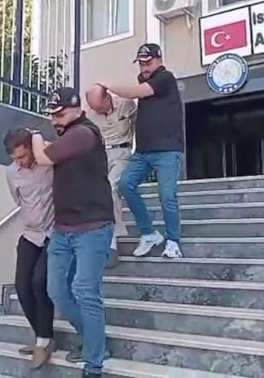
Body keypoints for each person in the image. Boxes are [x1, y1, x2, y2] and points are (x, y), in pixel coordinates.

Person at [30, 87, 114, 378]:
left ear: (77, 109)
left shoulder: (83, 134)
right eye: (52, 115)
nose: (55, 120)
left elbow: (43, 157)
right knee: (56, 290)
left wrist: (36, 137)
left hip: (93, 228)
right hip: (63, 229)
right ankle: (92, 340)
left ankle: (94, 364)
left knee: (85, 291)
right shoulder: (69, 136)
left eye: (60, 114)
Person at [101, 43, 185, 259]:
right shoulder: (144, 79)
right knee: (125, 184)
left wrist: (109, 86)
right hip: (143, 152)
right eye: (141, 64)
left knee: (167, 195)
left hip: (168, 150)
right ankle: (149, 234)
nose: (144, 68)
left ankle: (173, 241)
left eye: (148, 63)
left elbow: (135, 92)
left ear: (159, 60)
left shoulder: (165, 78)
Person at [4, 128, 56, 369]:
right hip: (30, 234)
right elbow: (19, 201)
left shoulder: (49, 163)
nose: (20, 162)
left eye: (23, 156)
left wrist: (39, 141)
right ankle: (43, 337)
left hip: (54, 233)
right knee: (22, 286)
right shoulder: (11, 173)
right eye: (15, 158)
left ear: (32, 150)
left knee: (40, 281)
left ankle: (43, 342)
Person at [85, 84, 136, 269]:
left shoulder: (126, 104)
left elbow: (141, 124)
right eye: (94, 108)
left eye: (100, 107)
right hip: (101, 155)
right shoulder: (89, 115)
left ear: (107, 97)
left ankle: (112, 242)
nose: (98, 111)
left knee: (111, 188)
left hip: (122, 153)